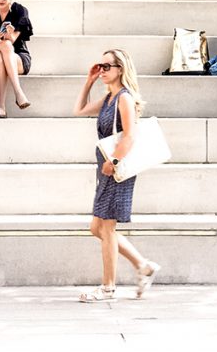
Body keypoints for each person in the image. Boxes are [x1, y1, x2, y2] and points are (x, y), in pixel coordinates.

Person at [73, 49, 161, 302]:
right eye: (100, 65)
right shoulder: (109, 98)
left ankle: (108, 287)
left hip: (117, 166)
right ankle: (144, 266)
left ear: (121, 69)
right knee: (97, 227)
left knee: (107, 227)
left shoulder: (124, 97)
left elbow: (130, 135)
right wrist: (89, 81)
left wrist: (114, 161)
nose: (103, 70)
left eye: (107, 66)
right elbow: (78, 110)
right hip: (107, 167)